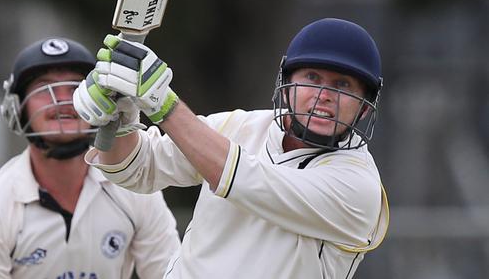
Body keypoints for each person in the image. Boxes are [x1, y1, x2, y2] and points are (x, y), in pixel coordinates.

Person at [73, 18, 390, 278]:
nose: (323, 95)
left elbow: (247, 180)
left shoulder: (358, 187)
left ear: (364, 107)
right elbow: (137, 168)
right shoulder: (242, 127)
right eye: (312, 77)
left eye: (342, 85)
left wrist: (161, 103)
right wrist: (120, 119)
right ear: (286, 82)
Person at [0, 37, 180, 279]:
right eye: (44, 88)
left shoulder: (134, 190)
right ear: (17, 108)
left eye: (74, 89)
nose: (61, 100)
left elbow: (170, 274)